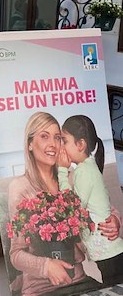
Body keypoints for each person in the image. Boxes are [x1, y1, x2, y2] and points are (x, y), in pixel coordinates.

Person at [7, 112, 120, 295]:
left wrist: (114, 219)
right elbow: (16, 254)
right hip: (42, 288)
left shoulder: (71, 178)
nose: (53, 144)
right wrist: (46, 266)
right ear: (29, 144)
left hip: (80, 280)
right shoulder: (20, 187)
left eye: (58, 137)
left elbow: (105, 207)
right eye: (44, 136)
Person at [58, 115, 123, 285]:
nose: (61, 147)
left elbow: (72, 208)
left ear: (80, 144)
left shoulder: (83, 172)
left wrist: (62, 171)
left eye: (64, 141)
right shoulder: (86, 168)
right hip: (107, 251)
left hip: (108, 252)